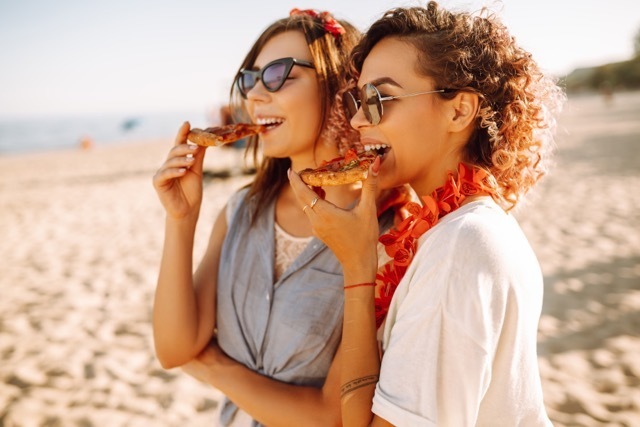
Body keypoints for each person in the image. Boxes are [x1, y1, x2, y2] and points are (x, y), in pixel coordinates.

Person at [288, 2, 565, 426]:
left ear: (459, 110)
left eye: (380, 98)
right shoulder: (461, 230)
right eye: (357, 100)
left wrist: (358, 270)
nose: (359, 119)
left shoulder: (461, 247)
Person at [152, 9, 407, 427]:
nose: (254, 96)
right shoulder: (241, 211)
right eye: (249, 81)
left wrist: (214, 366)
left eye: (278, 75)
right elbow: (173, 348)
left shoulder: (388, 231)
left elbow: (334, 416)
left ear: (341, 83)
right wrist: (181, 220)